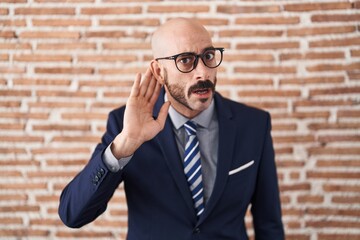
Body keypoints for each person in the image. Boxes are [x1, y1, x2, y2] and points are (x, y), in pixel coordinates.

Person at [59, 17, 285, 240]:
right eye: (185, 60)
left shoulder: (254, 124)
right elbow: (73, 214)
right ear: (158, 72)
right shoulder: (124, 125)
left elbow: (269, 224)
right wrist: (124, 144)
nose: (203, 73)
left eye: (208, 56)